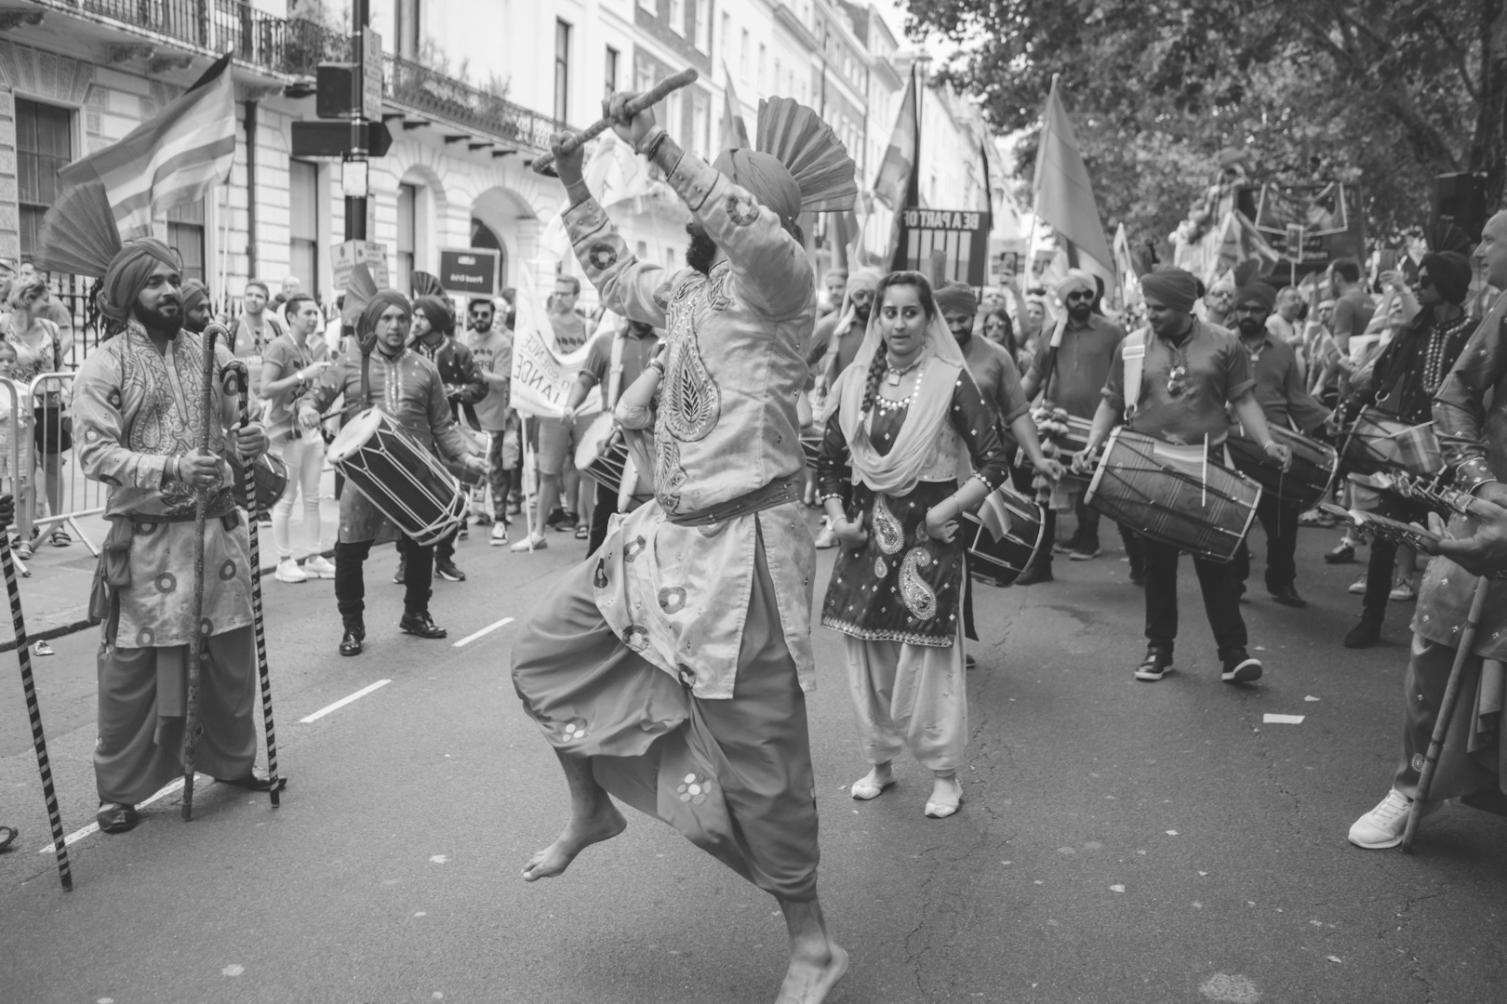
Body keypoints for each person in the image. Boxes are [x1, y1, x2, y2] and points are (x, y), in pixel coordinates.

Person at [511, 93, 847, 1003]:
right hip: (664, 537)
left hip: (748, 557)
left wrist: (654, 142)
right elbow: (617, 279)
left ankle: (812, 944)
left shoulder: (784, 289)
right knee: (544, 647)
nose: (711, 214)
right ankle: (590, 807)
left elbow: (741, 222)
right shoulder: (689, 292)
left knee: (765, 765)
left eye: (726, 202)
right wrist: (576, 178)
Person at [71, 239, 277, 835]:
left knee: (227, 662)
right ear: (128, 293)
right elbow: (93, 453)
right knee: (131, 675)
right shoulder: (104, 363)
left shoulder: (211, 351)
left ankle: (233, 762)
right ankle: (121, 790)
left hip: (217, 535)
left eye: (174, 279)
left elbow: (239, 423)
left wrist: (251, 441)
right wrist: (171, 467)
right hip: (147, 539)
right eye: (155, 281)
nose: (169, 290)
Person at [818, 272, 1012, 819]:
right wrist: (837, 519)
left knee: (929, 661)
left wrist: (943, 512)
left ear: (928, 320)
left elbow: (994, 463)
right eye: (890, 312)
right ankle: (880, 764)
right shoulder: (857, 381)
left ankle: (944, 775)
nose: (899, 323)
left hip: (929, 541)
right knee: (868, 660)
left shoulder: (951, 381)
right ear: (876, 318)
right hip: (865, 537)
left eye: (910, 312)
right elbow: (830, 462)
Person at [1347, 212, 1507, 849]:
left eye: (1491, 239)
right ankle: (1411, 786)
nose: (1482, 249)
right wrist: (1481, 484)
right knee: (1439, 625)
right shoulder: (1498, 315)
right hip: (1490, 501)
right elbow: (1455, 394)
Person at [1075, 266, 1292, 684]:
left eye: (1158, 308)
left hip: (1207, 463)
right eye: (1148, 306)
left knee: (1219, 564)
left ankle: (1233, 654)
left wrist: (1267, 443)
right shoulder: (1133, 346)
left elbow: (1243, 400)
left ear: (1184, 306)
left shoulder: (1225, 343)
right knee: (1158, 565)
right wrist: (1091, 444)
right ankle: (1159, 650)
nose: (1149, 314)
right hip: (1150, 467)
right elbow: (1112, 402)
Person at [300, 291, 484, 656]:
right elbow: (314, 398)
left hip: (416, 471)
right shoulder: (351, 360)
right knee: (349, 551)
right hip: (365, 475)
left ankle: (416, 614)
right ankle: (352, 626)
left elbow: (443, 425)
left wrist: (465, 456)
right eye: (387, 318)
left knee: (421, 546)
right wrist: (306, 409)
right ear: (373, 322)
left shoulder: (425, 367)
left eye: (402, 318)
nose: (396, 326)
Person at [1337, 252, 1476, 649]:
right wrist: (1348, 407)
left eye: (1425, 281)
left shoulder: (1475, 333)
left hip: (1454, 457)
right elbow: (1378, 377)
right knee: (1385, 535)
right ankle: (1371, 620)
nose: (1418, 287)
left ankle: (1445, 632)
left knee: (1449, 544)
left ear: (1447, 286)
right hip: (1407, 452)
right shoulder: (1413, 330)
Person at [932, 282, 1062, 586]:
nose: (955, 327)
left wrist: (1039, 460)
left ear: (974, 316)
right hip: (931, 467)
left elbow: (1016, 412)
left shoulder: (996, 355)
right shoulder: (920, 351)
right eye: (946, 320)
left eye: (962, 320)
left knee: (971, 556)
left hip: (980, 467)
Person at [1226, 281, 1330, 608]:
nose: (1248, 315)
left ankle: (1282, 582)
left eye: (1256, 310)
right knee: (1233, 516)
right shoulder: (1223, 345)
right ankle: (1234, 582)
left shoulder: (1284, 350)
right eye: (1243, 308)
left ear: (1268, 312)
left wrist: (1328, 419)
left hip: (1278, 445)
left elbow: (1297, 399)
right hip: (1232, 443)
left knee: (1283, 520)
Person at [1022, 270, 1129, 569]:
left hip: (1099, 423)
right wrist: (1012, 405)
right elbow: (1034, 376)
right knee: (1050, 484)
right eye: (1075, 295)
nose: (1082, 300)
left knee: (1094, 484)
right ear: (1064, 299)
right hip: (1058, 424)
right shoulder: (1052, 334)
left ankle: (1091, 539)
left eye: (1087, 295)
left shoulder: (1112, 332)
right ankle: (1043, 557)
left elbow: (1128, 376)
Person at [408, 295, 486, 583]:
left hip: (452, 431)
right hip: (415, 434)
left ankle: (444, 558)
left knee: (452, 496)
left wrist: (454, 392)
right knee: (413, 496)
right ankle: (408, 560)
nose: (414, 322)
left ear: (436, 321)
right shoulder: (407, 350)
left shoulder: (459, 352)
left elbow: (480, 386)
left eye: (421, 317)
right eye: (413, 316)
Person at [566, 317, 659, 553]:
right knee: (606, 507)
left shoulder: (664, 343)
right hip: (614, 439)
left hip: (653, 439)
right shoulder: (605, 343)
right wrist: (570, 406)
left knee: (652, 511)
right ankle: (594, 565)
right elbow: (585, 380)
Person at [260, 292, 333, 583]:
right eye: (308, 313)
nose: (314, 318)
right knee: (285, 500)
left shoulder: (310, 347)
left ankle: (314, 556)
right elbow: (264, 389)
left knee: (312, 498)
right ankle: (283, 560)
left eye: (316, 313)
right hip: (283, 434)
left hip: (309, 433)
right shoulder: (280, 347)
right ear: (291, 317)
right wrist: (304, 376)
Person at [2, 273, 70, 550]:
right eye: (44, 299)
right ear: (28, 298)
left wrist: (67, 397)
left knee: (52, 464)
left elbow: (59, 364)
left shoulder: (51, 328)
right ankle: (25, 529)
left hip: (50, 404)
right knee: (23, 468)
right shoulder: (3, 325)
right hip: (15, 407)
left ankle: (58, 524)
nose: (48, 304)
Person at [530, 276, 591, 540]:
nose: (559, 298)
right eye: (556, 293)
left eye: (565, 293)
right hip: (553, 406)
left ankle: (585, 522)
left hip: (585, 405)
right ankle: (538, 531)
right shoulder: (545, 327)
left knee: (588, 466)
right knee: (548, 470)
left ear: (576, 296)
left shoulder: (589, 328)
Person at [463, 297, 516, 546]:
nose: (481, 319)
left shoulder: (502, 343)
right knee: (463, 468)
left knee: (494, 470)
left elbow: (502, 381)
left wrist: (475, 373)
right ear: (471, 316)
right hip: (465, 416)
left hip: (491, 417)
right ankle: (461, 519)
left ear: (491, 316)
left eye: (486, 314)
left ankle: (500, 521)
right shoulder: (463, 341)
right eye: (477, 314)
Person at [231, 280, 284, 409]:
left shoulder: (275, 328)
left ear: (266, 301)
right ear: (244, 298)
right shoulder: (233, 328)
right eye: (249, 295)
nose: (253, 299)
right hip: (242, 403)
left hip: (271, 403)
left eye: (259, 296)